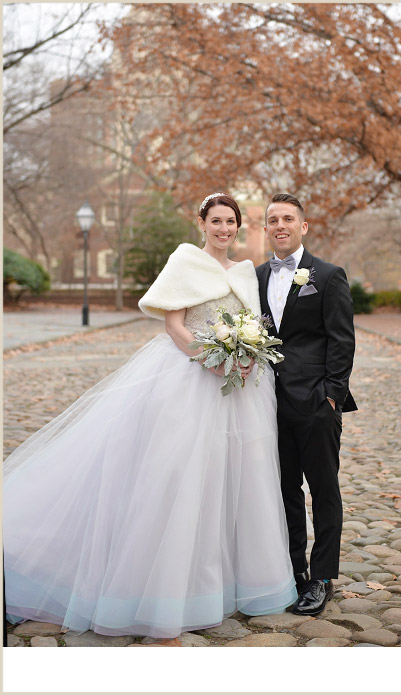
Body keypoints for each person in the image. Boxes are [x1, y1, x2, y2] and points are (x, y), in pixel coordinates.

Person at [3, 193, 298, 642]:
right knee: (176, 478)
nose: (223, 229)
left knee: (233, 480)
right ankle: (165, 590)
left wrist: (245, 354)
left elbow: (250, 325)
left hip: (238, 388)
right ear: (202, 223)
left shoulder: (243, 272)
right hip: (188, 377)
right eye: (216, 221)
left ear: (239, 227)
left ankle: (223, 585)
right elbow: (174, 324)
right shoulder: (184, 262)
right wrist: (208, 358)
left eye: (230, 222)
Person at [255, 193, 356, 616]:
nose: (280, 225)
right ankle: (293, 572)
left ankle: (322, 578)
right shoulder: (255, 277)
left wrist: (331, 395)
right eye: (273, 219)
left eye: (288, 219)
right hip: (265, 405)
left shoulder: (328, 276)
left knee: (324, 491)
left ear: (303, 226)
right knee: (283, 493)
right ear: (266, 228)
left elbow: (342, 339)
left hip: (316, 404)